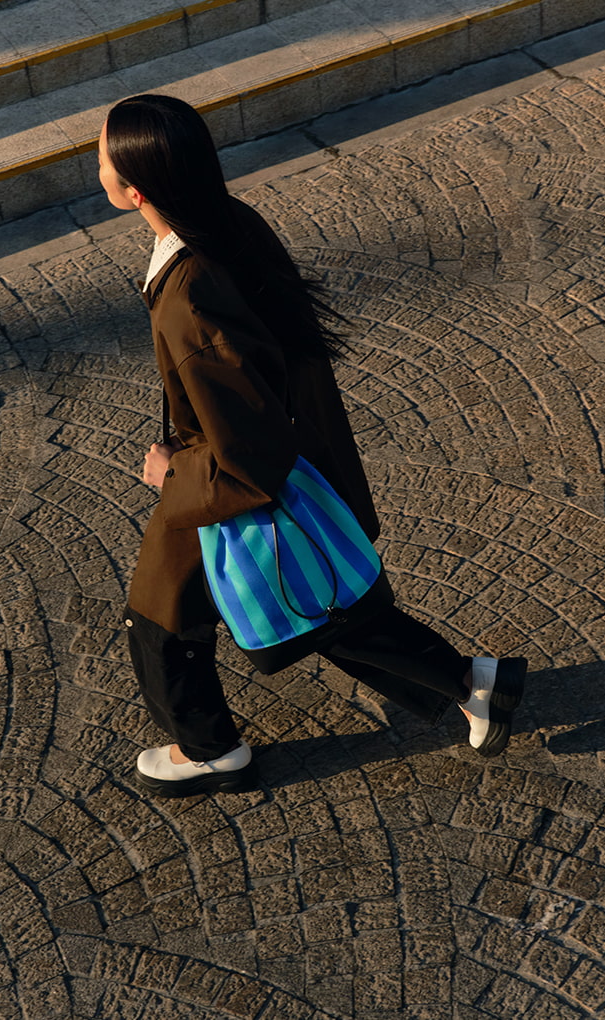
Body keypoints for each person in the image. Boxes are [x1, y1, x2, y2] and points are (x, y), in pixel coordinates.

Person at [98, 94, 527, 798]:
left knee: (175, 616)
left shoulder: (189, 297)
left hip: (227, 476)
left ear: (136, 188)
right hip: (284, 459)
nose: (96, 163)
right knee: (312, 607)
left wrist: (173, 474)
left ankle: (209, 750)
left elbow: (247, 447)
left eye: (102, 154)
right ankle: (473, 682)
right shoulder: (228, 223)